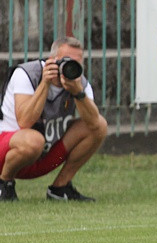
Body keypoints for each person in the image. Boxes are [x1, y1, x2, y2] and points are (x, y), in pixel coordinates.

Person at [0, 37, 107, 202]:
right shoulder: (26, 74)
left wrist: (78, 93)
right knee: (34, 140)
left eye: (77, 62)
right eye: (66, 61)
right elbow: (24, 122)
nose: (70, 66)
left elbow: (94, 124)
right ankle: (4, 184)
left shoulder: (79, 83)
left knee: (99, 125)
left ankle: (60, 188)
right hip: (8, 153)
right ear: (51, 60)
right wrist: (45, 83)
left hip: (44, 155)